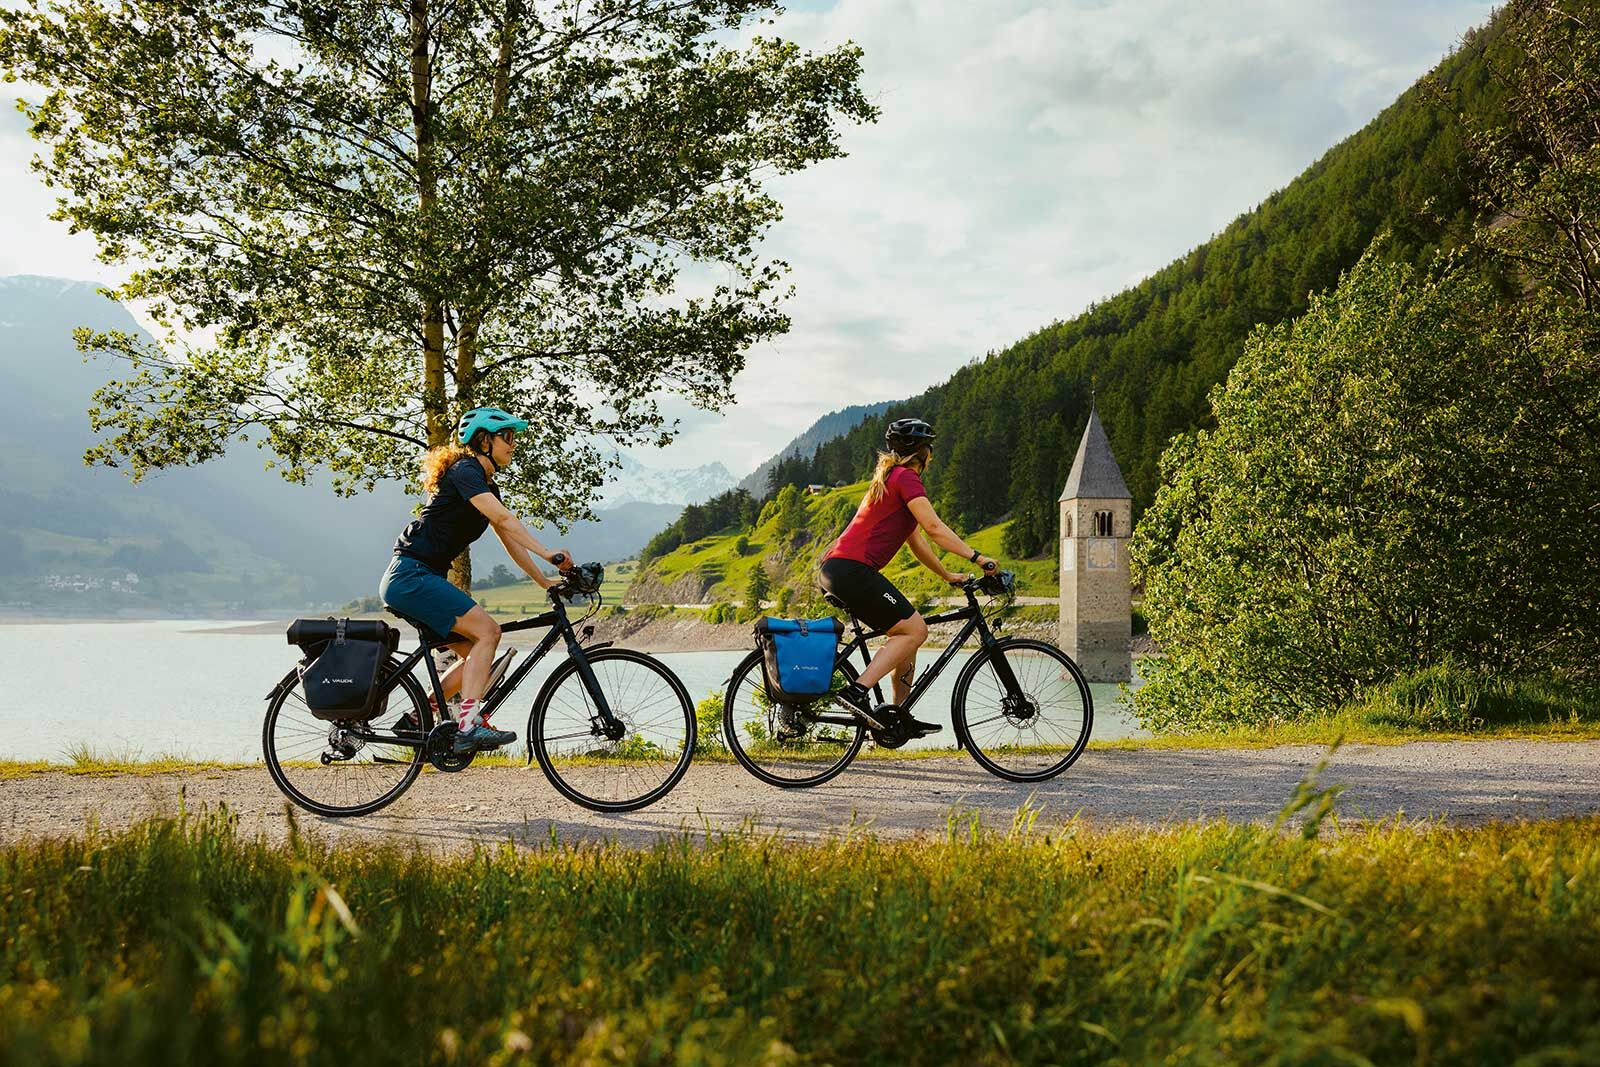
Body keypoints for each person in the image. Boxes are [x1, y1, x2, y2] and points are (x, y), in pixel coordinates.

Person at [379, 407, 573, 753]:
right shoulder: (465, 470)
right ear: (484, 440)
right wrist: (549, 553)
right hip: (412, 576)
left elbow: (511, 541)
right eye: (507, 437)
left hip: (418, 578)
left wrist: (545, 582)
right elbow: (505, 519)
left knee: (475, 657)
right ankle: (467, 726)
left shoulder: (485, 486)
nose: (513, 444)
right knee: (489, 632)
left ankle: (419, 716)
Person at [817, 417, 997, 734]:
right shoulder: (906, 479)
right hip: (852, 570)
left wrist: (947, 574)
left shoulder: (890, 479)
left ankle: (898, 716)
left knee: (906, 636)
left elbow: (917, 542)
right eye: (930, 450)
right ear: (923, 453)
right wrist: (978, 558)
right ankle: (856, 692)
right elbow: (934, 528)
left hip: (839, 570)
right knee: (915, 630)